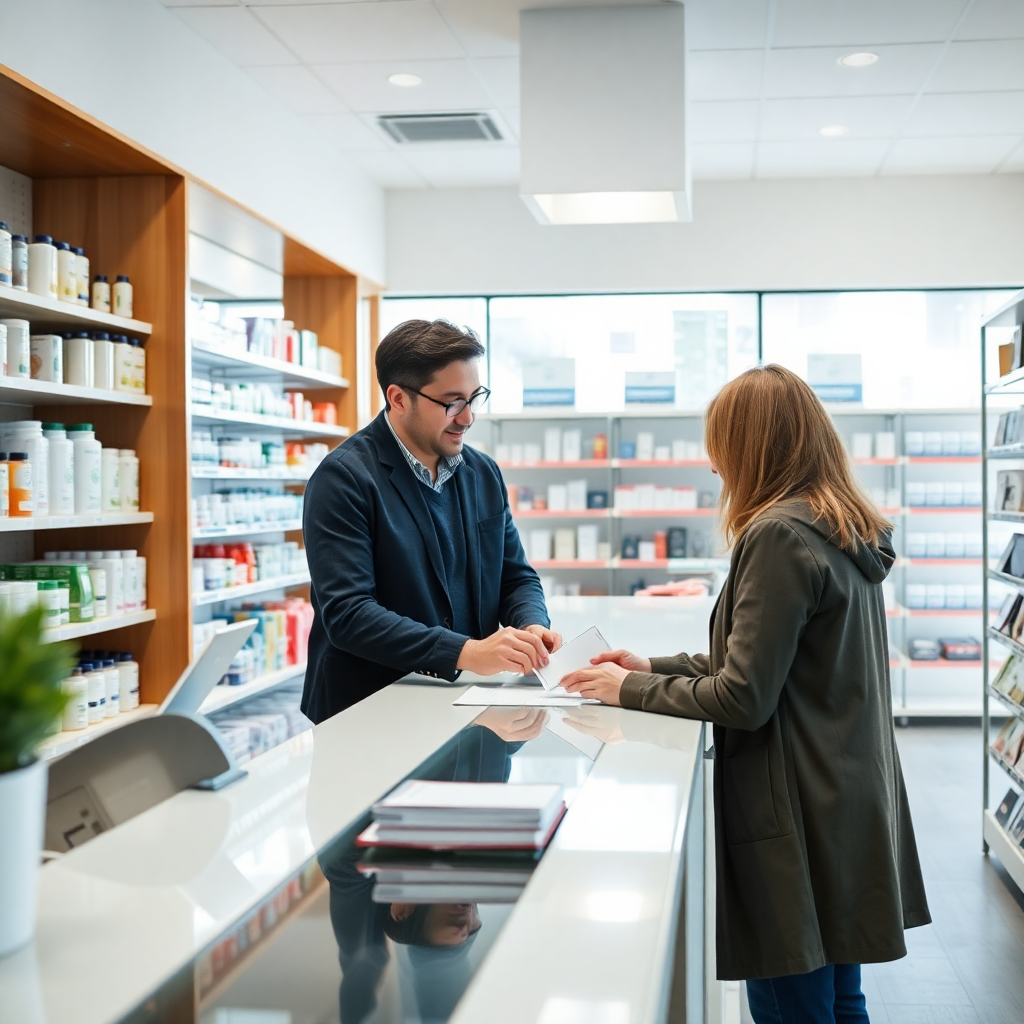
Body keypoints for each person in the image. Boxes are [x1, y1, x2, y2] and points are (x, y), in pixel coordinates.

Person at [560, 364, 930, 1023]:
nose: (712, 465)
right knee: (842, 1001)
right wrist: (651, 664)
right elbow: (769, 659)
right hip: (842, 800)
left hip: (795, 811)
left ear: (754, 447)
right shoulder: (841, 525)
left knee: (794, 1004)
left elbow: (744, 697)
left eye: (721, 444)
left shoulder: (777, 536)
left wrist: (630, 688)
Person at [301, 319, 560, 723]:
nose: (468, 417)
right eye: (452, 402)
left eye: (475, 398)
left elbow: (515, 576)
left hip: (469, 702)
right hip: (370, 712)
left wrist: (531, 625)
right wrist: (467, 653)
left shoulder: (482, 473)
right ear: (399, 398)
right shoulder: (344, 479)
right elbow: (348, 614)